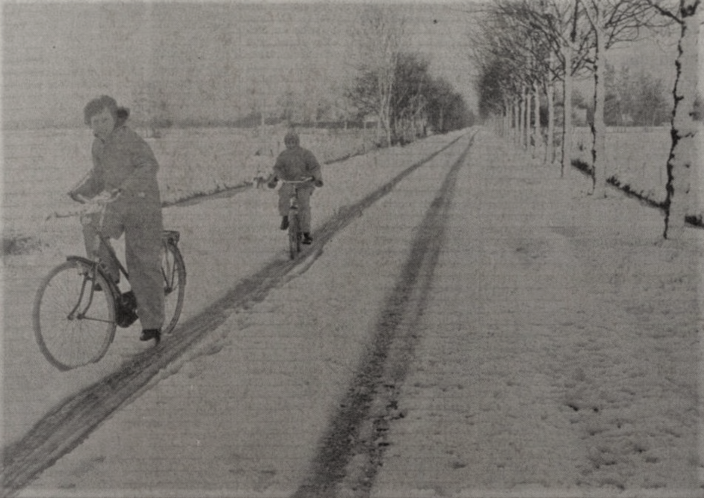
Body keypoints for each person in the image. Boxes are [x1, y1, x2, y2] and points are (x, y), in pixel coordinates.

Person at [68, 95, 164, 345]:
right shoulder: (98, 145)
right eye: (94, 121)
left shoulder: (129, 139)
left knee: (141, 263)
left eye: (104, 119)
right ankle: (108, 276)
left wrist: (126, 187)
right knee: (89, 220)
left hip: (142, 206)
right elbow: (99, 175)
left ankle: (152, 324)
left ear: (115, 117)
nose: (99, 125)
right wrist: (80, 191)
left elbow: (149, 166)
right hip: (116, 205)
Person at [267, 131, 323, 244]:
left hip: (304, 183)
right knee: (283, 194)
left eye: (293, 142)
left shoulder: (306, 154)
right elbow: (277, 169)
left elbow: (315, 167)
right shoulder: (283, 155)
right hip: (289, 181)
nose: (290, 145)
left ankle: (306, 233)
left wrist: (316, 178)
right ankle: (285, 217)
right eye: (288, 143)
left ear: (297, 142)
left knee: (304, 205)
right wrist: (273, 179)